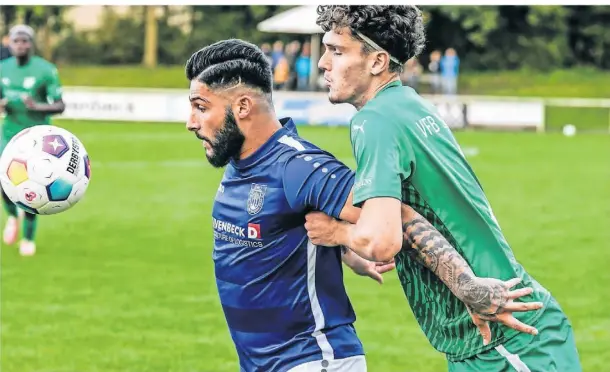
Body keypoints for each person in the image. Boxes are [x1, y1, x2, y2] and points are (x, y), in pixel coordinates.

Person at [184, 39, 541, 372]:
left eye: (201, 108)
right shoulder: (240, 161)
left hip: (313, 358)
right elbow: (287, 226)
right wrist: (342, 249)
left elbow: (396, 216)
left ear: (243, 106)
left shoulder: (298, 166)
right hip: (262, 360)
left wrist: (468, 287)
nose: (191, 122)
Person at [309, 5, 581, 372]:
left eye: (337, 51)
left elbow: (380, 241)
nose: (323, 63)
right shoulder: (409, 104)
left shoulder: (373, 121)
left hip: (498, 333)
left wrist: (337, 232)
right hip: (491, 326)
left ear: (377, 62)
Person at [0, 25, 66, 256]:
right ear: (10, 44)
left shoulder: (45, 70)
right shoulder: (2, 68)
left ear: (32, 43)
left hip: (36, 139)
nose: (20, 45)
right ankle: (11, 216)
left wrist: (36, 106)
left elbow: (60, 105)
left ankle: (28, 238)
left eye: (25, 41)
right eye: (16, 41)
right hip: (8, 134)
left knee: (32, 187)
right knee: (3, 184)